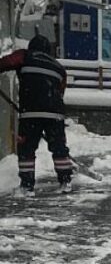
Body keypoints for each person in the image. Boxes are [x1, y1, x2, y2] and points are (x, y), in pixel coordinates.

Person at [0, 35, 73, 196]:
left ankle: (27, 186)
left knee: (26, 149)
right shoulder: (59, 67)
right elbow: (60, 91)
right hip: (55, 113)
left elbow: (6, 63)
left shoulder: (25, 55)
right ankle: (65, 181)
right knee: (59, 148)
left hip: (31, 112)